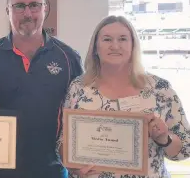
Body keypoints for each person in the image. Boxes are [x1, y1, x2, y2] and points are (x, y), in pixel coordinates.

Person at [0, 0, 83, 178]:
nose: (27, 13)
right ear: (7, 11)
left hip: (53, 169)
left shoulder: (69, 58)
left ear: (45, 9)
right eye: (19, 6)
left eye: (34, 5)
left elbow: (80, 114)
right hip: (0, 169)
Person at [63, 15, 190, 178]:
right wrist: (73, 166)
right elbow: (63, 140)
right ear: (95, 47)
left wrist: (164, 138)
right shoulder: (78, 87)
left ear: (133, 45)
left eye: (123, 39)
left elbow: (184, 149)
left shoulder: (159, 89)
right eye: (107, 39)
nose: (115, 46)